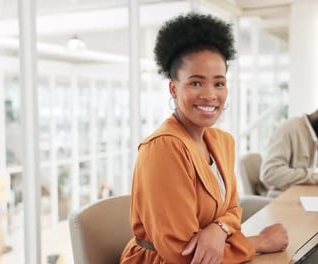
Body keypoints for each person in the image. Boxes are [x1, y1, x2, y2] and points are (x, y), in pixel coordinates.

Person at [121, 13, 288, 263]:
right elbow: (183, 255)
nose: (210, 95)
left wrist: (218, 229)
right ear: (174, 88)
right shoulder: (164, 148)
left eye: (219, 83)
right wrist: (259, 242)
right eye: (196, 83)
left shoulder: (222, 141)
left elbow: (233, 208)